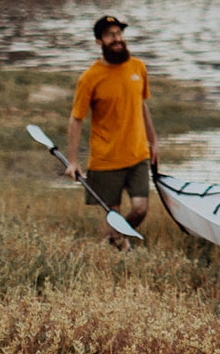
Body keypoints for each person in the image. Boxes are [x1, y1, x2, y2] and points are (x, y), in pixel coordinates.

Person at [66, 14, 158, 251]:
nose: (117, 39)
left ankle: (116, 240)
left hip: (138, 155)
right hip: (106, 161)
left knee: (140, 208)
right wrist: (73, 161)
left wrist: (154, 142)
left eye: (119, 34)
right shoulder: (90, 77)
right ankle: (117, 246)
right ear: (99, 41)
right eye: (110, 35)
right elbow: (76, 119)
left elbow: (142, 105)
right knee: (111, 215)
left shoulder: (138, 67)